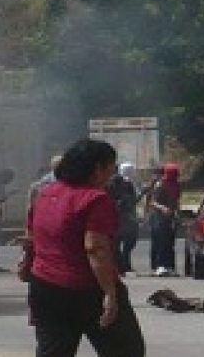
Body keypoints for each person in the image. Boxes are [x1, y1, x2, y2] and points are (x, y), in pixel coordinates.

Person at [26, 139, 145, 356]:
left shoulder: (45, 194)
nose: (113, 173)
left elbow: (32, 238)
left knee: (53, 352)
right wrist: (109, 293)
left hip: (45, 287)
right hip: (88, 289)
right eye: (111, 167)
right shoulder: (95, 199)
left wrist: (26, 269)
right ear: (98, 168)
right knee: (126, 351)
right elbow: (96, 248)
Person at [145, 162, 180, 277]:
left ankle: (169, 266)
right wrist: (163, 208)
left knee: (170, 241)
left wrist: (177, 213)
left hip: (170, 217)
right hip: (158, 216)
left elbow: (176, 201)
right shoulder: (160, 185)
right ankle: (158, 266)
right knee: (159, 241)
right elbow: (153, 202)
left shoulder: (176, 185)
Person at [107, 163, 141, 275]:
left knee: (128, 241)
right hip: (115, 216)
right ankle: (120, 267)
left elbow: (133, 200)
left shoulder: (128, 184)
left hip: (127, 217)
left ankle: (123, 264)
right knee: (116, 243)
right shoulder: (109, 184)